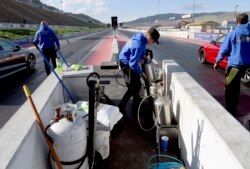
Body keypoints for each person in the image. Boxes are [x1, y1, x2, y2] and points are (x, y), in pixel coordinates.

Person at [214, 13, 250, 116]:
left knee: (229, 85)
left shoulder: (233, 33)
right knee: (237, 84)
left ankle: (230, 108)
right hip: (246, 66)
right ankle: (234, 104)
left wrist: (217, 61)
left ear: (237, 22)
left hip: (235, 66)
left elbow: (224, 49)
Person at [118, 27, 160, 115]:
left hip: (129, 61)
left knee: (136, 86)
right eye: (153, 41)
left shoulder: (141, 38)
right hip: (126, 64)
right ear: (150, 38)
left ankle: (134, 105)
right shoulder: (139, 45)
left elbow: (140, 52)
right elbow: (133, 64)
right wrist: (141, 73)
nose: (153, 43)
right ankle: (124, 107)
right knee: (134, 87)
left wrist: (142, 57)